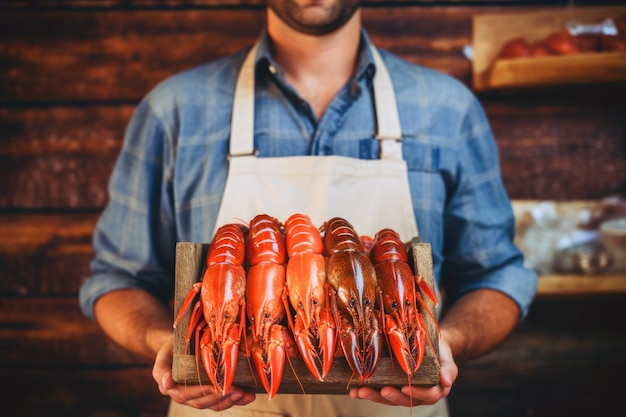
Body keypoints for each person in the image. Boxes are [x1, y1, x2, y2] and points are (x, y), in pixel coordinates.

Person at [79, 1, 538, 416]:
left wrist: (445, 342)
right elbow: (117, 279)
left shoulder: (448, 110)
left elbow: (498, 274)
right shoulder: (173, 110)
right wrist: (173, 345)